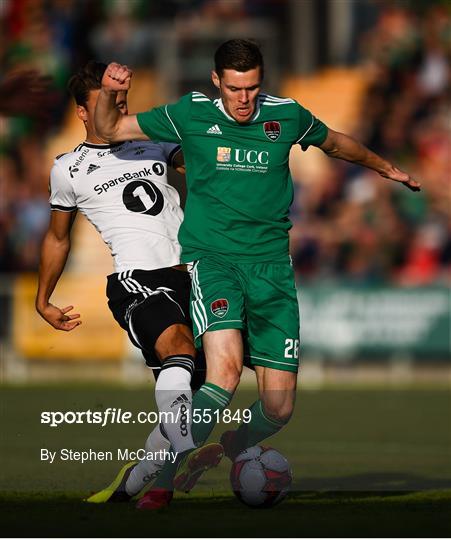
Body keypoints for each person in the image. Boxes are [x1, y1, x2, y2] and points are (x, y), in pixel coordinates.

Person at [94, 39, 421, 503]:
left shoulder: (286, 114)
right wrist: (109, 90)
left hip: (273, 270)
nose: (244, 99)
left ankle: (229, 446)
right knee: (223, 373)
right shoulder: (189, 113)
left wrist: (384, 166)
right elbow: (109, 128)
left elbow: (335, 143)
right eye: (234, 89)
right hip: (214, 261)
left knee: (279, 408)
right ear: (217, 82)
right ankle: (162, 478)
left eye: (251, 88)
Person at [35, 61, 222, 510]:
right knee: (178, 348)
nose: (119, 104)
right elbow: (58, 237)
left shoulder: (154, 141)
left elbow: (205, 161)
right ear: (83, 111)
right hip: (136, 279)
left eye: (121, 98)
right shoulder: (69, 169)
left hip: (195, 274)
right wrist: (44, 300)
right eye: (107, 99)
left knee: (209, 387)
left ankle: (138, 479)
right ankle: (185, 450)